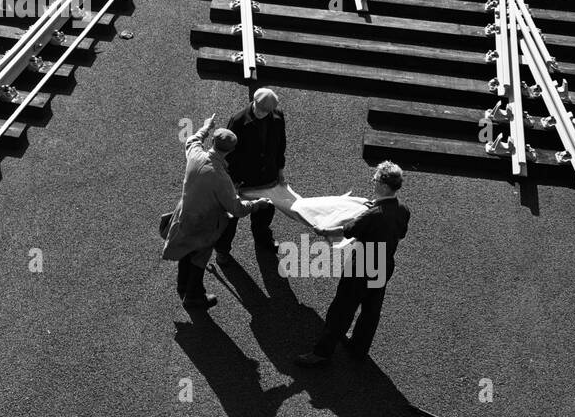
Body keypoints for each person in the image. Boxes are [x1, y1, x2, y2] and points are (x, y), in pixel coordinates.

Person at [296, 161, 411, 367]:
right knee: (371, 309)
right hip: (384, 264)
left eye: (375, 179)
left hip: (362, 267)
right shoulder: (403, 210)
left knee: (342, 308)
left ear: (384, 186)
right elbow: (399, 234)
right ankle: (359, 348)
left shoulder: (372, 215)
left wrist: (323, 230)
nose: (372, 181)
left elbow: (347, 230)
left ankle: (322, 353)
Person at [161, 115, 260, 310]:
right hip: (204, 225)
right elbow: (237, 209)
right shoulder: (221, 178)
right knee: (199, 258)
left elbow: (193, 139)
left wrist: (206, 126)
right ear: (231, 150)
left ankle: (182, 286)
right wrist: (258, 204)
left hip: (183, 215)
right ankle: (194, 296)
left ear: (213, 142)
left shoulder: (196, 154)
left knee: (185, 251)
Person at [214, 88, 286, 263]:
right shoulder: (238, 120)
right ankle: (222, 250)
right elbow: (228, 153)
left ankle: (263, 240)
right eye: (259, 109)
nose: (261, 113)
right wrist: (232, 180)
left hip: (267, 177)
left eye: (265, 111)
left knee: (265, 213)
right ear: (253, 101)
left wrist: (280, 170)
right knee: (231, 218)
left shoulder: (277, 116)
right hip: (241, 180)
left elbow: (281, 144)